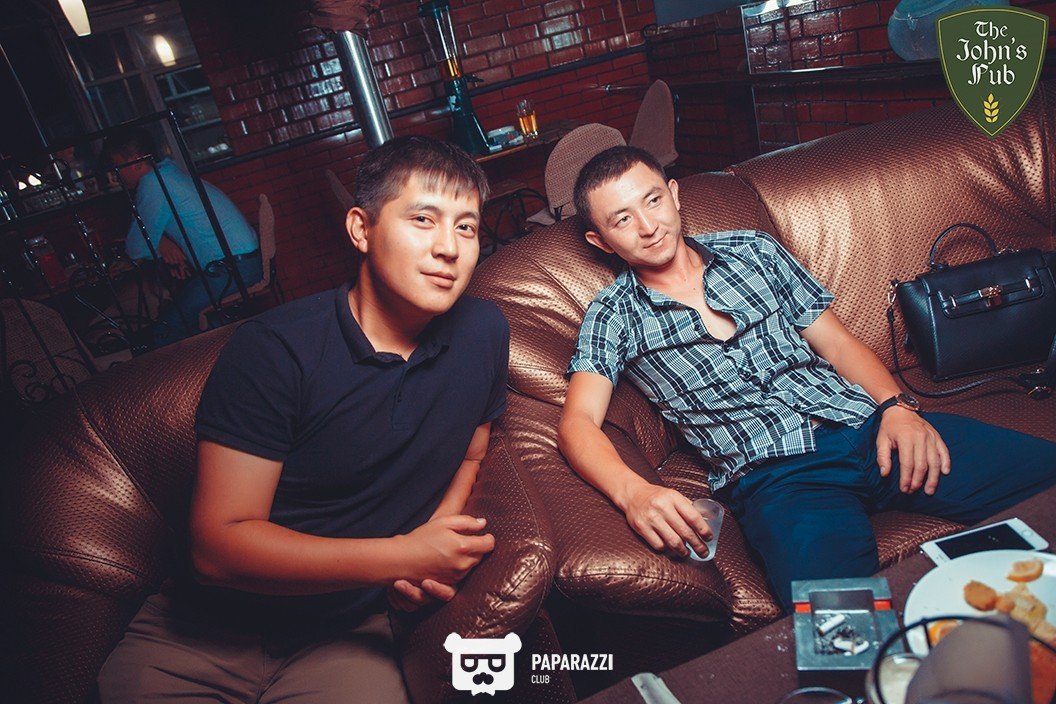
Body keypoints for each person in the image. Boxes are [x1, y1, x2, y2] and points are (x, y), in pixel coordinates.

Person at [97, 136, 509, 702]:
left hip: (348, 637)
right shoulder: (274, 350)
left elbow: (473, 451)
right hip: (201, 636)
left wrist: (426, 554)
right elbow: (217, 548)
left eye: (466, 227)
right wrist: (405, 554)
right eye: (423, 219)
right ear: (361, 229)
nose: (448, 248)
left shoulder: (485, 331)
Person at [558, 146, 1056, 610]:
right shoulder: (612, 314)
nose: (649, 226)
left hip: (869, 428)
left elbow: (837, 345)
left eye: (652, 200)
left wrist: (897, 408)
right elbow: (578, 423)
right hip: (779, 478)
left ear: (674, 194)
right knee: (840, 623)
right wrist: (634, 493)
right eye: (623, 219)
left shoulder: (754, 250)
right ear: (601, 241)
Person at [101, 128, 262, 345]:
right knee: (186, 319)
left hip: (229, 271)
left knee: (164, 330)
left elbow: (136, 248)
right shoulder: (169, 173)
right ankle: (228, 347)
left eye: (118, 166)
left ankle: (212, 359)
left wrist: (160, 243)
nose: (116, 175)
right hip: (244, 264)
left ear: (136, 161)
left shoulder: (153, 183)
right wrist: (164, 242)